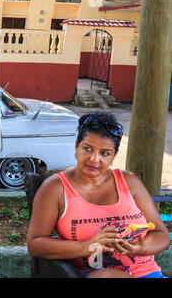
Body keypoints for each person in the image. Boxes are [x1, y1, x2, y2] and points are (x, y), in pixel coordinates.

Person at [27, 111, 170, 278]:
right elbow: (35, 245)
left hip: (148, 273)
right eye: (87, 149)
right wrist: (88, 245)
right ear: (76, 147)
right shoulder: (56, 188)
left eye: (105, 153)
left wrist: (141, 248)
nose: (94, 159)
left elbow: (162, 235)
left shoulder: (129, 181)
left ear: (113, 156)